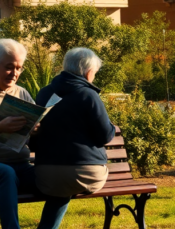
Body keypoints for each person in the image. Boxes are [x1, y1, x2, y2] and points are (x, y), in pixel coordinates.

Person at [0, 39, 68, 229]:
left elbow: (35, 136)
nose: (15, 73)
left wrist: (36, 130)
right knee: (4, 173)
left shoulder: (21, 93)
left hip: (19, 167)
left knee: (62, 179)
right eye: (9, 67)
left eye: (19, 68)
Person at [31, 48, 116, 227]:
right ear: (88, 72)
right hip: (86, 175)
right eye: (95, 73)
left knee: (61, 191)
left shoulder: (44, 93)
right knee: (68, 183)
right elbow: (105, 136)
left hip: (46, 175)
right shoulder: (89, 95)